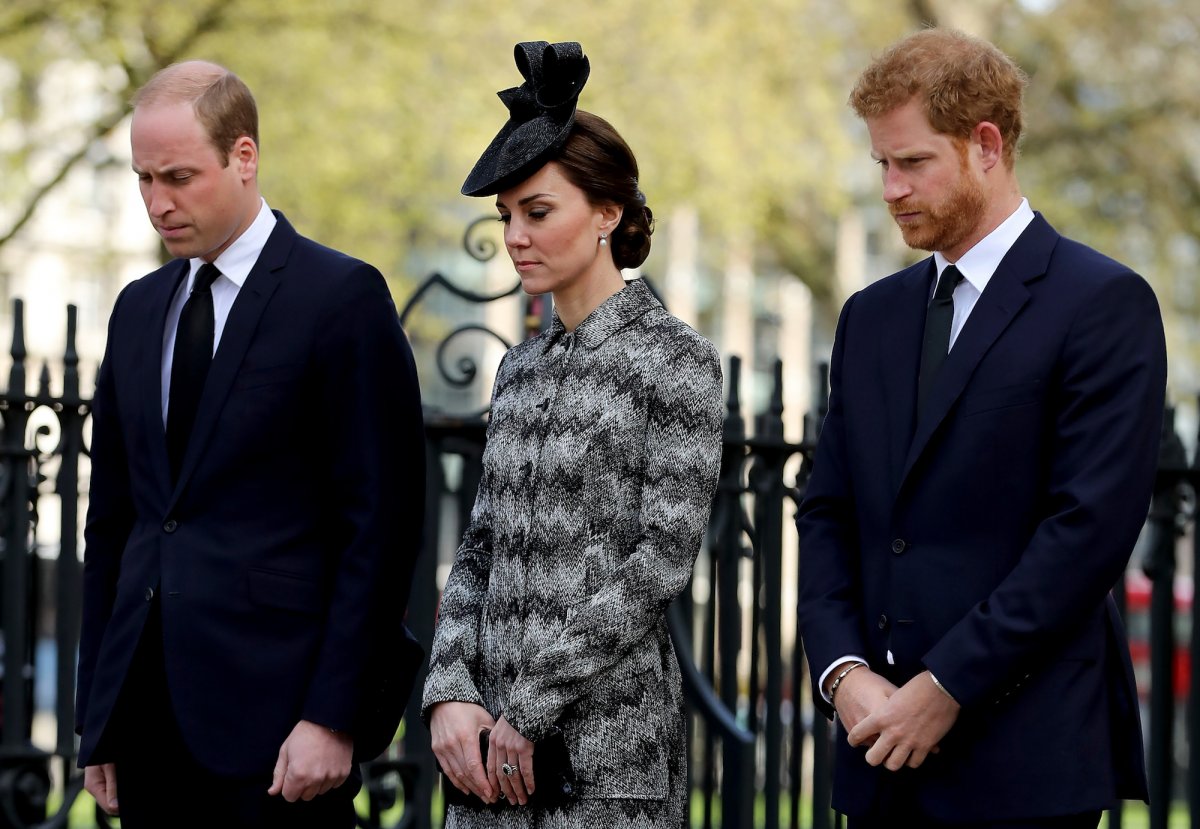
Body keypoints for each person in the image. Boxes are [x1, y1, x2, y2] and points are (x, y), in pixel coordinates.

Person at [797, 28, 1166, 828]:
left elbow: (1087, 531)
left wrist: (946, 685)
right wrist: (841, 670)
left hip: (1025, 764)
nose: (891, 188)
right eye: (881, 165)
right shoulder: (870, 316)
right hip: (877, 756)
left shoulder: (1102, 303)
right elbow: (827, 508)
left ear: (986, 145)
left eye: (913, 162)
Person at [75, 61, 425, 829]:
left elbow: (382, 528)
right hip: (146, 725)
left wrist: (333, 715)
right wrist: (96, 715)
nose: (158, 203)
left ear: (244, 157)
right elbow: (114, 523)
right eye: (142, 179)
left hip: (282, 733)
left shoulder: (340, 299)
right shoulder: (138, 310)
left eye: (179, 176)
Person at [421, 41, 724, 828]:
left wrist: (530, 702)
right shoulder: (517, 369)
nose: (517, 235)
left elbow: (658, 563)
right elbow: (479, 545)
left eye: (539, 211)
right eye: (507, 216)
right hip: (487, 760)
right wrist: (450, 689)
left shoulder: (676, 360)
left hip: (607, 766)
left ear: (608, 212)